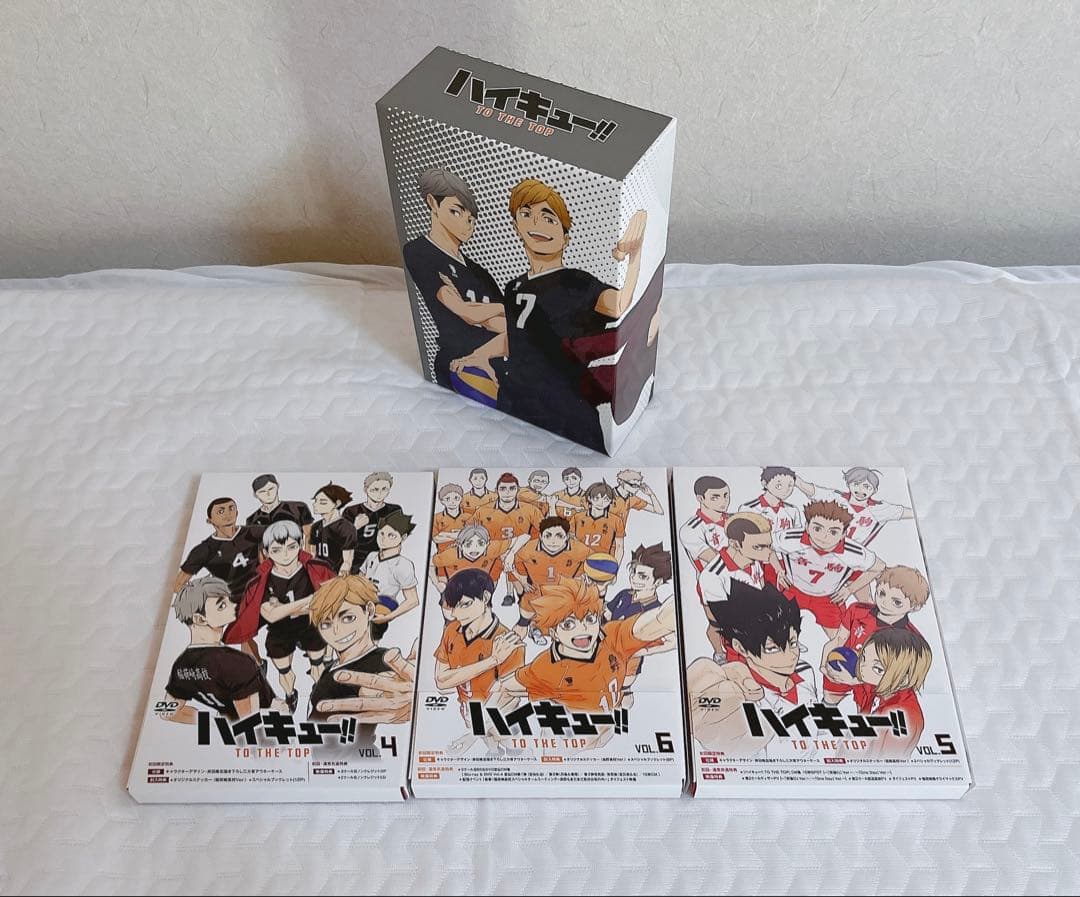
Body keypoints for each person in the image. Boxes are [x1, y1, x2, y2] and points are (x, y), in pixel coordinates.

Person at [491, 577, 676, 713]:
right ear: (554, 632)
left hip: (612, 724)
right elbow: (503, 688)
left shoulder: (611, 636)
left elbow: (659, 620)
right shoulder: (545, 667)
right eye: (568, 624)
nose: (583, 629)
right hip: (575, 737)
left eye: (589, 619)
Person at [401, 168, 505, 390]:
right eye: (456, 212)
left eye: (471, 219)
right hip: (458, 361)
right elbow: (466, 312)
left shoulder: (480, 272)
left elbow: (501, 325)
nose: (466, 224)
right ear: (433, 203)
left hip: (498, 354)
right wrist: (502, 311)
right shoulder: (419, 251)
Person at [686, 582, 817, 754]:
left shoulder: (805, 671)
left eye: (793, 643)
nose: (790, 655)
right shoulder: (743, 696)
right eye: (772, 648)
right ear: (740, 647)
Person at [223, 520, 335, 713]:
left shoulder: (315, 569)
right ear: (266, 552)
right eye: (277, 550)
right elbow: (272, 615)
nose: (285, 554)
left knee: (318, 666)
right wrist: (309, 601)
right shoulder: (261, 581)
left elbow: (327, 601)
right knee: (284, 672)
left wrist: (285, 608)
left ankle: (319, 695)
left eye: (291, 547)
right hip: (280, 631)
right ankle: (291, 695)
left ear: (300, 544)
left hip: (310, 626)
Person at [157, 576, 278, 723]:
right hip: (273, 725)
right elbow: (251, 723)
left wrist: (214, 722)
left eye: (229, 601)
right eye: (222, 605)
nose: (234, 605)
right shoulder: (238, 663)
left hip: (231, 726)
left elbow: (167, 712)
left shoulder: (181, 665)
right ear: (200, 619)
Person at [307, 575, 399, 747]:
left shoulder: (382, 664)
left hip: (354, 757)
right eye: (326, 624)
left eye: (347, 618)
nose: (336, 631)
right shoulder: (334, 667)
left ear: (369, 610)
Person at [773, 500, 886, 637]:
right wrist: (778, 570)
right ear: (807, 527)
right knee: (775, 630)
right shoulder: (791, 539)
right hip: (794, 589)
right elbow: (767, 544)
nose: (824, 537)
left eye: (833, 532)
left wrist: (850, 589)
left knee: (840, 639)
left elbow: (879, 567)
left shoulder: (851, 551)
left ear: (843, 534)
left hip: (827, 597)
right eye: (817, 529)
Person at [820, 565, 928, 705]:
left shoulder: (911, 638)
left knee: (868, 710)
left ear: (915, 607)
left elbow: (899, 675)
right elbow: (839, 639)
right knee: (829, 696)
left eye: (896, 602)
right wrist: (824, 663)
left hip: (876, 680)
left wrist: (857, 680)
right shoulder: (857, 610)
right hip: (844, 663)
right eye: (882, 593)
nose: (885, 602)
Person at [851, 627, 932, 758]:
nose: (862, 668)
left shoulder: (905, 715)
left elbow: (888, 760)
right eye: (864, 658)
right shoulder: (878, 690)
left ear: (905, 678)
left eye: (878, 668)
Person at [174, 497, 262, 604]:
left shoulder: (253, 532)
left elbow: (279, 531)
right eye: (220, 511)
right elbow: (178, 585)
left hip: (265, 592)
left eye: (231, 508)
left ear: (237, 513)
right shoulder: (205, 549)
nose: (228, 514)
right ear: (209, 520)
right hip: (235, 603)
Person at [357, 510, 420, 622]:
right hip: (363, 599)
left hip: (383, 603)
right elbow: (358, 580)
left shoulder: (403, 564)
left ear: (403, 537)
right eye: (381, 533)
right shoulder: (372, 556)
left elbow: (413, 600)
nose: (384, 539)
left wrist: (389, 617)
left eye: (391, 535)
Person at [342, 472, 401, 574]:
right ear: (366, 489)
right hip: (356, 561)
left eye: (384, 489)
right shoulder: (352, 511)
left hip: (383, 560)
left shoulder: (394, 510)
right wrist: (355, 527)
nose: (380, 493)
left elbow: (398, 539)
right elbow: (341, 541)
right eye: (375, 489)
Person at [737, 466, 813, 535]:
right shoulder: (748, 509)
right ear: (765, 483)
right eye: (779, 486)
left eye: (790, 486)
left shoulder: (793, 510)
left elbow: (796, 537)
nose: (785, 490)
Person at [677, 475, 731, 573]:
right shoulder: (691, 529)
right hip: (715, 580)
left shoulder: (735, 519)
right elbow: (718, 562)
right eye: (715, 497)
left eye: (726, 496)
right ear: (700, 498)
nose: (723, 501)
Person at [245, 475, 314, 542]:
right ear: (255, 495)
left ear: (277, 486)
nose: (268, 494)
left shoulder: (298, 508)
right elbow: (252, 545)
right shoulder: (252, 520)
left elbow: (309, 536)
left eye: (271, 489)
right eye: (262, 492)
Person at [309, 482, 358, 576]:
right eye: (315, 501)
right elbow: (313, 554)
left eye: (322, 502)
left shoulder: (346, 528)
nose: (315, 505)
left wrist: (340, 577)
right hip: (318, 573)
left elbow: (347, 561)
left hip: (335, 575)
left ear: (337, 503)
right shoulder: (316, 526)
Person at [570, 481, 625, 564]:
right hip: (579, 562)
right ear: (589, 498)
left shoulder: (616, 521)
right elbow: (570, 540)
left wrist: (615, 567)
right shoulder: (577, 517)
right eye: (597, 498)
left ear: (611, 501)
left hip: (603, 562)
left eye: (606, 500)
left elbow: (619, 547)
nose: (601, 503)